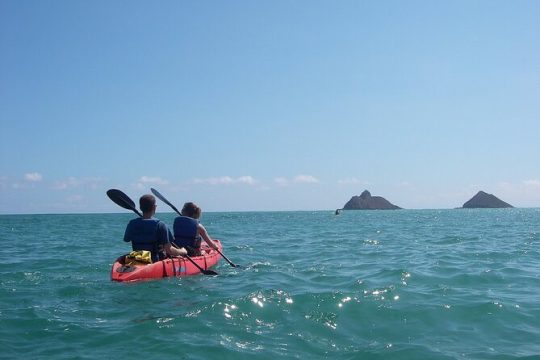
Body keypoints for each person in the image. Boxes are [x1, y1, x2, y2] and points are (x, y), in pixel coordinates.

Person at [124, 194, 187, 262]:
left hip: (136, 258)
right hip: (153, 260)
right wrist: (182, 251)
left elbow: (126, 239)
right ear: (154, 207)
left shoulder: (132, 223)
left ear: (140, 208)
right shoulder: (160, 225)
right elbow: (169, 250)